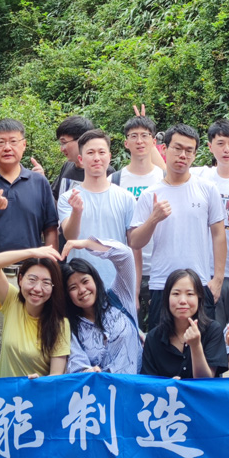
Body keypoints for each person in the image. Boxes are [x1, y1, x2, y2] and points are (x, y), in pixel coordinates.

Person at [0, 118, 58, 378]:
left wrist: (51, 269)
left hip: (29, 278)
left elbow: (50, 228)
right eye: (1, 142)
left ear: (23, 145)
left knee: (28, 351)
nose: (7, 147)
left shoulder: (38, 182)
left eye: (13, 141)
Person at [129, 124, 227, 329]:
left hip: (199, 284)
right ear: (164, 149)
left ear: (194, 155)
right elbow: (135, 241)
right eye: (177, 148)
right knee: (162, 343)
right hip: (161, 284)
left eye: (189, 150)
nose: (183, 155)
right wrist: (153, 219)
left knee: (201, 341)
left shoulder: (207, 189)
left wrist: (217, 279)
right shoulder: (150, 194)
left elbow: (219, 234)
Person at [58, 129, 135, 288]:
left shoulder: (126, 198)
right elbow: (70, 237)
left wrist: (134, 288)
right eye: (90, 153)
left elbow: (133, 245)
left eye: (101, 152)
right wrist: (77, 212)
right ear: (80, 159)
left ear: (109, 156)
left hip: (116, 284)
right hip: (80, 284)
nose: (97, 158)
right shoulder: (68, 198)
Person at [191, 119, 229, 327]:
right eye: (220, 143)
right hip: (206, 271)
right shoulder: (200, 176)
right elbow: (166, 168)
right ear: (209, 147)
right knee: (210, 331)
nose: (227, 149)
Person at [111, 115, 166, 329]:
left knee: (160, 332)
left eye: (145, 135)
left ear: (154, 141)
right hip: (125, 268)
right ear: (126, 143)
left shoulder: (165, 178)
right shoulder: (114, 181)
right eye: (134, 136)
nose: (140, 141)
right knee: (126, 330)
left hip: (161, 267)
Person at [0, 246, 71, 378]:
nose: (37, 289)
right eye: (32, 279)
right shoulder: (12, 300)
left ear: (53, 287)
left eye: (46, 283)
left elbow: (56, 375)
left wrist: (39, 381)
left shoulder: (60, 324)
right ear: (20, 279)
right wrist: (32, 252)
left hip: (36, 390)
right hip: (5, 390)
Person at [61, 238, 142, 374]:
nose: (82, 290)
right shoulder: (70, 326)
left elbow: (125, 256)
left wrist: (87, 243)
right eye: (73, 287)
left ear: (95, 279)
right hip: (100, 387)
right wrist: (87, 371)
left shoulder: (120, 296)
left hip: (134, 385)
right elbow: (76, 362)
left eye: (85, 281)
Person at [140, 268, 228, 378]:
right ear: (167, 298)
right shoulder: (154, 337)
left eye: (190, 294)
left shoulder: (212, 330)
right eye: (176, 294)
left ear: (199, 298)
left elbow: (207, 381)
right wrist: (168, 385)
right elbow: (148, 383)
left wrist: (196, 346)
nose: (182, 301)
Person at [51, 116, 114, 200]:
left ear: (81, 140)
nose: (61, 149)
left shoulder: (106, 172)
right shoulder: (67, 166)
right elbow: (54, 199)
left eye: (64, 142)